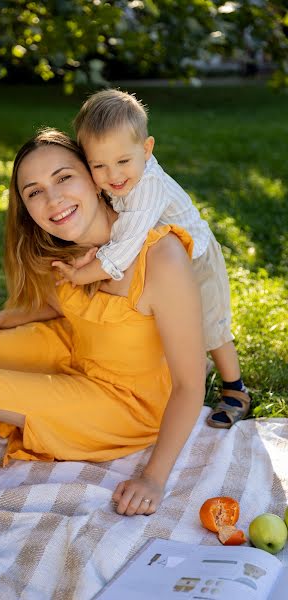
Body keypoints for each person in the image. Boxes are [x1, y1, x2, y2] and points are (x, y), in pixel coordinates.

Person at [0, 128, 205, 517]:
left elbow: (191, 385)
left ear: (94, 177)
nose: (53, 200)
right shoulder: (70, 248)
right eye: (34, 191)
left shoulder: (161, 258)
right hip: (73, 349)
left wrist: (153, 477)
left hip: (126, 404)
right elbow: (61, 305)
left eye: (63, 177)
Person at [52, 89, 251, 430]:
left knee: (210, 326)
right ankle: (193, 365)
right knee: (170, 328)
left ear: (147, 150)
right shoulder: (123, 173)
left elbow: (125, 244)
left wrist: (82, 275)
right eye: (99, 166)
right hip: (163, 258)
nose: (113, 175)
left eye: (122, 162)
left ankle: (236, 389)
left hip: (197, 260)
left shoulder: (147, 189)